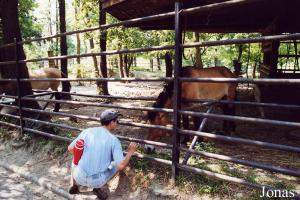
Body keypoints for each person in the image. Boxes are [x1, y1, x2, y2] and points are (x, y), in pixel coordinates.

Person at [68, 109, 138, 199]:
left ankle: (74, 185)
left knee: (75, 158)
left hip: (79, 177)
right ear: (111, 122)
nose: (117, 123)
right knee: (115, 165)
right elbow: (121, 166)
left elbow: (70, 148)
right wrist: (130, 152)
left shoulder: (87, 131)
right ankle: (98, 188)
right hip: (97, 181)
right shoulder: (114, 140)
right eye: (117, 121)